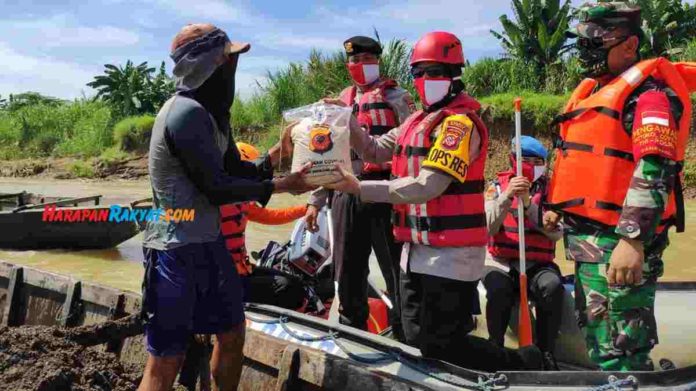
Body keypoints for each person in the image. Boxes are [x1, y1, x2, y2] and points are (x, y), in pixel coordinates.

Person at [323, 31, 542, 371]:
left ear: (455, 73)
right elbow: (374, 150)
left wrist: (360, 189)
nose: (426, 80)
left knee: (441, 343)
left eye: (435, 71)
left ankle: (522, 362)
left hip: (451, 253)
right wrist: (347, 120)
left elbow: (429, 185)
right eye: (419, 72)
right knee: (413, 334)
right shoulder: (415, 121)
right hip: (416, 248)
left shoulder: (458, 124)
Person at [140, 24, 313, 391]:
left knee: (232, 333)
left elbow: (236, 169)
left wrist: (279, 153)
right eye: (229, 60)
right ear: (211, 65)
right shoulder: (183, 114)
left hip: (209, 243)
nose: (233, 68)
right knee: (167, 359)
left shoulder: (213, 114)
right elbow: (217, 187)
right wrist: (282, 185)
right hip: (173, 250)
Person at [543, 3, 694, 371]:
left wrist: (632, 240)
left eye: (596, 44)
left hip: (619, 248)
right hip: (589, 248)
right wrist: (556, 208)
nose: (586, 52)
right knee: (601, 346)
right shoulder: (594, 92)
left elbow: (655, 168)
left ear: (630, 45)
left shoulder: (649, 96)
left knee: (623, 355)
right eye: (583, 44)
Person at [305, 36, 415, 340]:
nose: (358, 66)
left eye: (365, 60)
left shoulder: (398, 98)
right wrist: (316, 199)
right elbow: (326, 152)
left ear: (377, 61)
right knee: (348, 271)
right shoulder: (342, 99)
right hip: (345, 192)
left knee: (395, 269)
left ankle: (404, 333)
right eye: (353, 61)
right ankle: (353, 330)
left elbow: (413, 145)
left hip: (385, 192)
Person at [483, 136, 564, 370]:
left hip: (537, 263)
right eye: (524, 160)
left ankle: (546, 353)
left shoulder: (553, 191)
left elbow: (556, 233)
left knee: (552, 287)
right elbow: (487, 226)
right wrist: (506, 197)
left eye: (536, 160)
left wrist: (529, 205)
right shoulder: (496, 186)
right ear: (513, 161)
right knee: (499, 290)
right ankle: (495, 348)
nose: (529, 164)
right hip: (501, 260)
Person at [221, 142, 308, 310]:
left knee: (296, 283)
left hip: (243, 269)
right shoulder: (217, 201)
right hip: (226, 279)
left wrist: (305, 209)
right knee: (289, 288)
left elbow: (271, 217)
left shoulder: (243, 202)